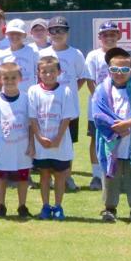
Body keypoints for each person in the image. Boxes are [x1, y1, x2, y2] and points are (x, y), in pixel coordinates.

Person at [91, 47, 131, 223]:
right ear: (109, 70)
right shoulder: (101, 89)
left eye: (124, 70)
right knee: (111, 176)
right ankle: (110, 208)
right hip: (111, 141)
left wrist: (128, 124)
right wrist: (116, 127)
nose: (119, 73)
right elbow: (98, 114)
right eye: (114, 70)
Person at [38, 16, 88, 194]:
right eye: (53, 30)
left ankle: (67, 176)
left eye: (61, 30)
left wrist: (69, 93)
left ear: (68, 32)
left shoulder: (75, 54)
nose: (57, 34)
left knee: (67, 142)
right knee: (48, 138)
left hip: (69, 108)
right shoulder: (43, 54)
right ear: (48, 33)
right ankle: (50, 176)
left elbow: (82, 76)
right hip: (47, 107)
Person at [28, 56, 78, 221]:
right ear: (38, 73)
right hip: (41, 142)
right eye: (44, 71)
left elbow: (66, 118)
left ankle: (58, 206)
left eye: (52, 71)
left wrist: (58, 138)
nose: (48, 75)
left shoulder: (65, 91)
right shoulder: (33, 91)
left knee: (60, 175)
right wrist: (39, 136)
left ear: (59, 72)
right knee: (44, 175)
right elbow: (33, 117)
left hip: (60, 143)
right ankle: (45, 206)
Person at [0, 62, 32, 218]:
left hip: (22, 147)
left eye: (13, 77)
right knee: (1, 177)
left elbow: (32, 124)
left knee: (23, 177)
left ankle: (22, 206)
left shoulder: (26, 99)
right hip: (2, 147)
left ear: (20, 78)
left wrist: (32, 145)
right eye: (6, 78)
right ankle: (1, 206)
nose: (10, 81)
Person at [84, 22, 121, 190]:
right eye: (105, 34)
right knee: (96, 139)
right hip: (98, 107)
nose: (109, 37)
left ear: (118, 36)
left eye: (113, 34)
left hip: (119, 106)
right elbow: (90, 81)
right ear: (99, 38)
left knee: (119, 140)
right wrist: (102, 102)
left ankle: (117, 175)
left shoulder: (123, 56)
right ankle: (96, 175)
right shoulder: (93, 55)